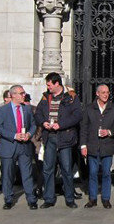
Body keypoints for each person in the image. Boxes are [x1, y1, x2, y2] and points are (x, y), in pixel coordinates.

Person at [35, 72, 83, 209]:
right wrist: (43, 122)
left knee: (66, 169)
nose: (47, 87)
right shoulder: (45, 97)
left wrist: (61, 125)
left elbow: (77, 115)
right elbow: (37, 113)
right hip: (49, 137)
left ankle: (69, 198)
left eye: (49, 84)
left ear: (57, 83)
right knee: (48, 168)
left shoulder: (71, 97)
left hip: (65, 137)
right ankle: (49, 198)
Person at [0, 85, 38, 210]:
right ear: (13, 95)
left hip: (24, 146)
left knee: (27, 174)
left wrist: (29, 134)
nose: (23, 95)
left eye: (24, 93)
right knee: (8, 174)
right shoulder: (3, 110)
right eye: (21, 93)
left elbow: (33, 125)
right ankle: (8, 199)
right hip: (9, 146)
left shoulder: (27, 109)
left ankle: (31, 199)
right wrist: (14, 135)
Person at [80, 84, 114, 209]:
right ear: (97, 94)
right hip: (92, 145)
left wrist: (109, 132)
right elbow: (84, 128)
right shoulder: (89, 109)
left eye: (107, 92)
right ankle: (92, 198)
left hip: (107, 146)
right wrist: (83, 145)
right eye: (103, 92)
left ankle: (106, 198)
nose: (106, 94)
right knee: (92, 173)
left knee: (106, 173)